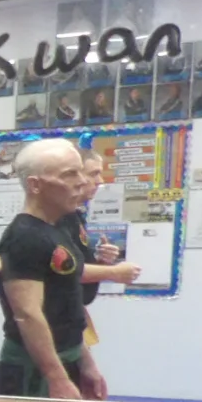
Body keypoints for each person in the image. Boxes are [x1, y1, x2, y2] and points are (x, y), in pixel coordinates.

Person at [0, 139, 109, 400]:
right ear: (35, 185)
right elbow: (28, 315)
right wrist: (57, 378)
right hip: (34, 370)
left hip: (66, 358)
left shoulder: (58, 228)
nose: (82, 181)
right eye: (69, 174)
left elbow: (66, 307)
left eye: (80, 172)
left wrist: (86, 363)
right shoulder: (23, 237)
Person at [63, 147, 140, 348]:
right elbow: (64, 272)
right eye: (93, 174)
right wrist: (114, 272)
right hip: (55, 324)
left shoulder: (75, 216)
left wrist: (100, 261)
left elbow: (74, 264)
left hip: (71, 318)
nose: (100, 181)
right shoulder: (57, 218)